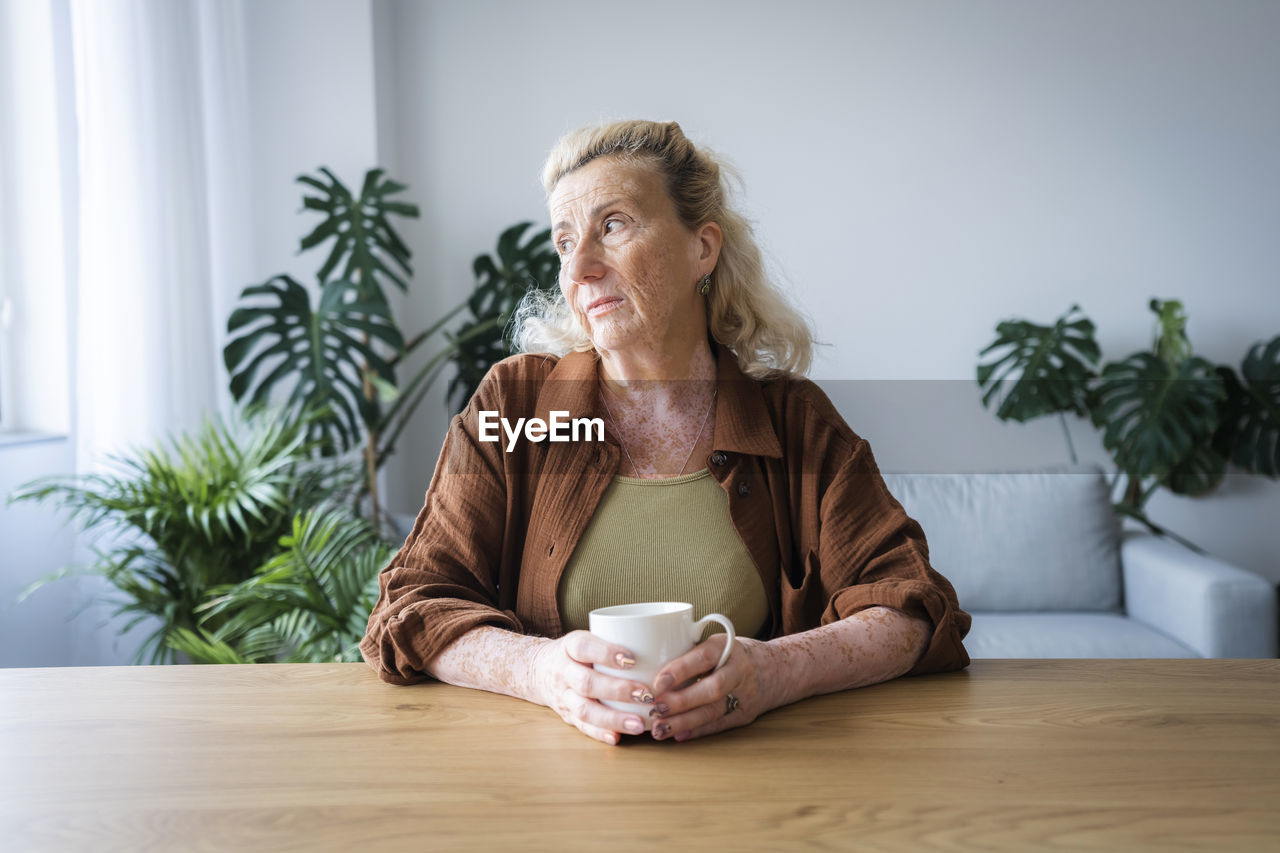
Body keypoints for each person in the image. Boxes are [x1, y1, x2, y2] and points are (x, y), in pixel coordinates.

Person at [360, 119, 970, 745]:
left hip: (765, 781)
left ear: (702, 249)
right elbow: (411, 606)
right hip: (552, 787)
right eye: (565, 242)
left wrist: (778, 669)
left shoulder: (795, 420)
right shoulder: (514, 405)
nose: (581, 268)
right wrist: (538, 670)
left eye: (613, 225)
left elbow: (911, 607)